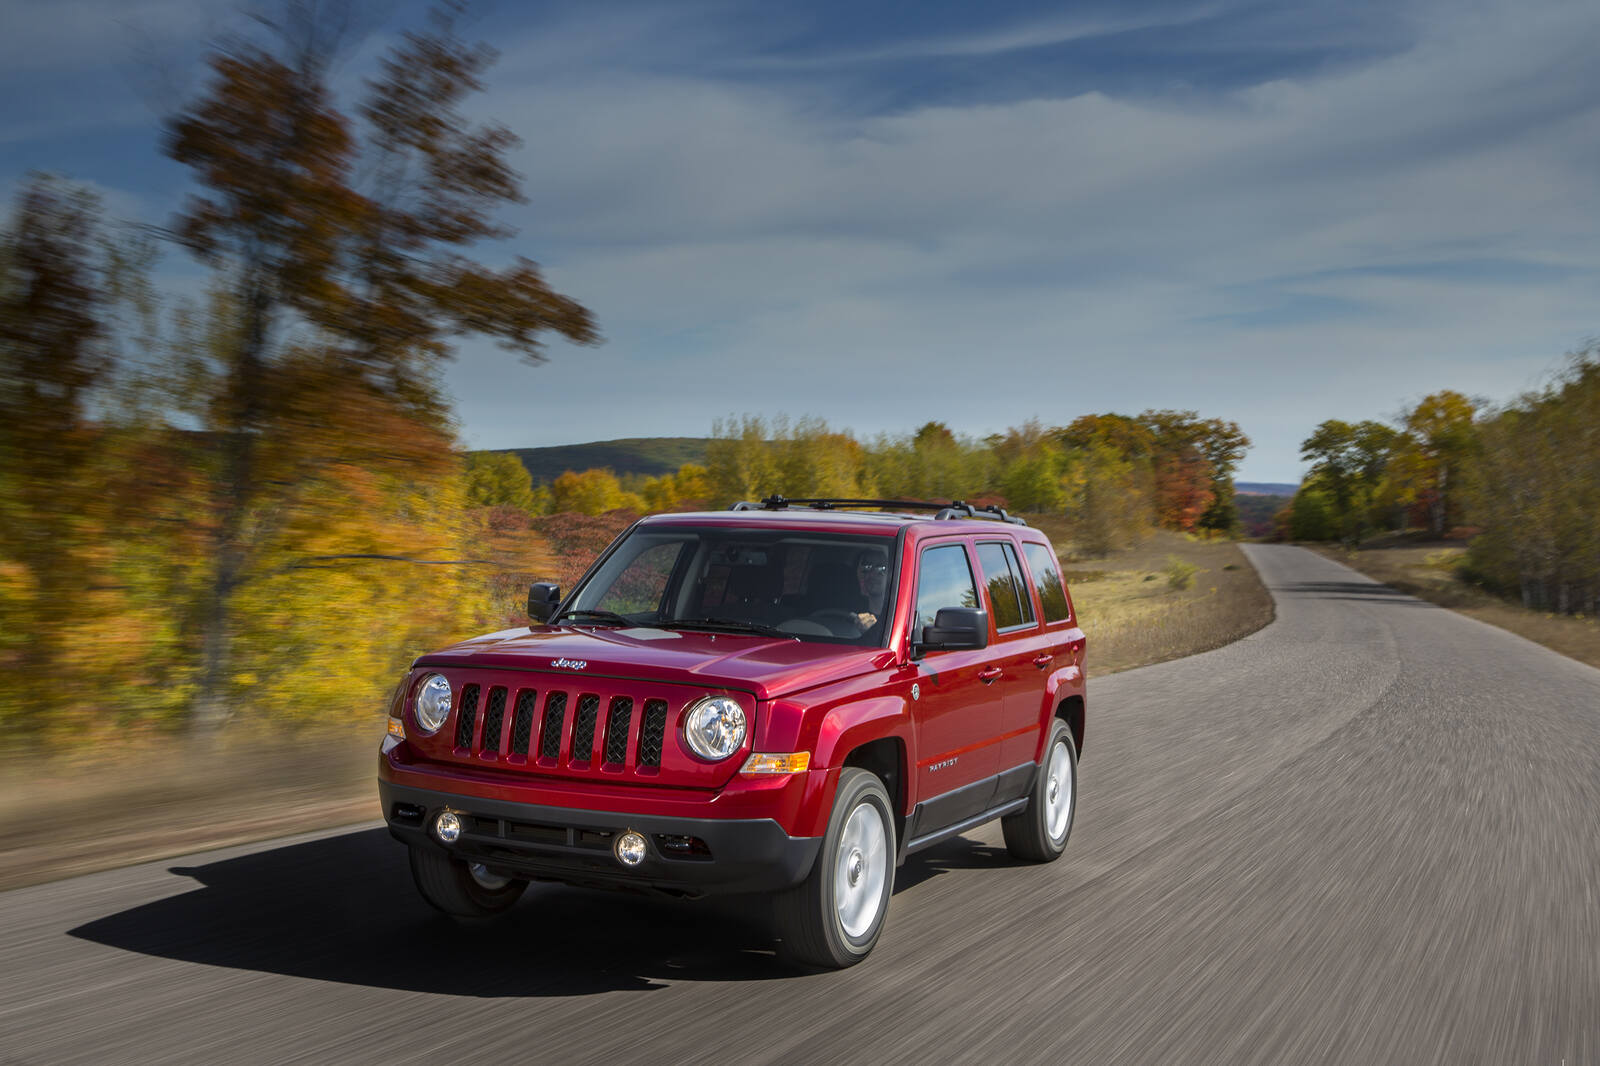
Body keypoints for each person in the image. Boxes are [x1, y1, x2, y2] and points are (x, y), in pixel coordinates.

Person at [854, 547, 890, 630]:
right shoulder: (848, 614)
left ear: (891, 575)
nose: (872, 574)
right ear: (857, 573)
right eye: (866, 567)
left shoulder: (898, 617)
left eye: (881, 568)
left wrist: (873, 629)